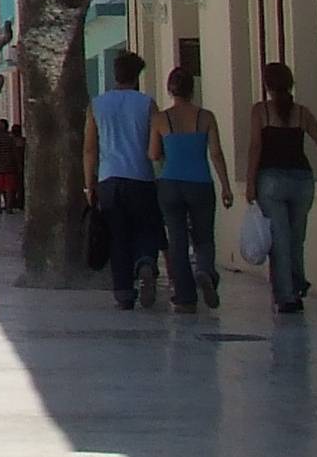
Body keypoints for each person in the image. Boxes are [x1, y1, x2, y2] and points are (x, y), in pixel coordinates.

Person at [244, 62, 317, 316]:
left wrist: (250, 182)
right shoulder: (302, 114)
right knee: (297, 239)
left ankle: (285, 295)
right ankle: (296, 286)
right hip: (302, 180)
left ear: (267, 85)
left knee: (280, 240)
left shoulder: (260, 111)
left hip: (271, 180)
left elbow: (255, 147)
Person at [148, 66, 233, 314]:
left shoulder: (161, 119)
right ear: (193, 89)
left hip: (170, 183)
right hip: (200, 182)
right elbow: (215, 153)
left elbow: (153, 154)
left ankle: (185, 297)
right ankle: (205, 271)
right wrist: (226, 186)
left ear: (170, 90)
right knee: (204, 236)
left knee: (177, 239)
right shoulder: (206, 117)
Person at [84, 50, 163, 309]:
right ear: (137, 76)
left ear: (114, 74)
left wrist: (89, 183)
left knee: (118, 235)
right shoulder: (147, 104)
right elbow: (157, 143)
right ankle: (145, 262)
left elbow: (90, 149)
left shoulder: (97, 105)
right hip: (141, 177)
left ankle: (123, 292)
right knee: (146, 228)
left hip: (109, 179)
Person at [0, 119, 25, 213]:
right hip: (9, 166)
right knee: (9, 188)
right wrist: (18, 164)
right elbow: (14, 153)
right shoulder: (10, 139)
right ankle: (8, 207)